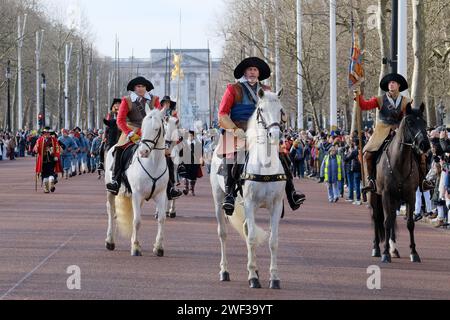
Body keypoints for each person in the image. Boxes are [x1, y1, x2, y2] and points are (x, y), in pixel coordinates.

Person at [217, 56, 306, 215]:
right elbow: (222, 114)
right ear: (245, 72)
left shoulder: (267, 90)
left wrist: (282, 116)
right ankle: (230, 194)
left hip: (262, 130)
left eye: (255, 70)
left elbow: (277, 110)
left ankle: (291, 192)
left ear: (259, 73)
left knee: (282, 155)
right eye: (250, 69)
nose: (252, 72)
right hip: (239, 130)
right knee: (232, 156)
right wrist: (233, 128)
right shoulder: (233, 89)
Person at [106, 77, 182, 201]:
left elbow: (159, 116)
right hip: (131, 131)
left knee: (166, 153)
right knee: (119, 149)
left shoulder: (155, 100)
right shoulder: (127, 100)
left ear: (146, 88)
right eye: (138, 87)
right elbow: (120, 120)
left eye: (142, 86)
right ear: (134, 88)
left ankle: (171, 186)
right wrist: (129, 133)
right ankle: (116, 180)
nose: (140, 89)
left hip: (150, 132)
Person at [355, 73, 433, 193]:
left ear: (398, 85)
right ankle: (370, 180)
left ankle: (423, 180)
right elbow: (364, 106)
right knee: (367, 155)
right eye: (390, 83)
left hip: (399, 129)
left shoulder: (406, 101)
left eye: (394, 82)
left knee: (420, 153)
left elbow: (408, 116)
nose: (391, 84)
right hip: (382, 130)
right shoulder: (379, 99)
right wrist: (358, 96)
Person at [34, 127, 62, 193]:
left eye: (48, 133)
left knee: (51, 173)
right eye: (45, 133)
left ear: (50, 134)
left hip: (51, 160)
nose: (47, 134)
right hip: (42, 161)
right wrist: (36, 150)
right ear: (43, 134)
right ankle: (46, 188)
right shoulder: (39, 140)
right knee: (44, 175)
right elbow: (35, 148)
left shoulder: (54, 140)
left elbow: (57, 149)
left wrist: (56, 156)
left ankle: (51, 184)